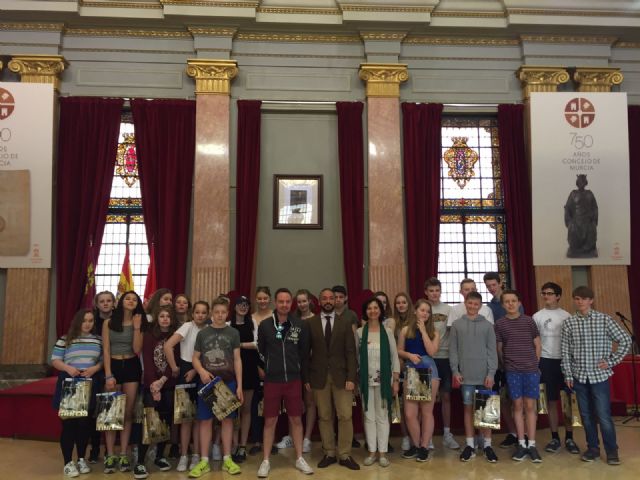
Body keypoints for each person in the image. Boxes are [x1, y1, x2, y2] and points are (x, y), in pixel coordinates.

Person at [561, 286, 631, 465]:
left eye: (584, 299)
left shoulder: (604, 320)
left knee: (604, 415)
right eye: (577, 299)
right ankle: (592, 448)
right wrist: (568, 375)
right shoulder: (569, 323)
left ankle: (611, 451)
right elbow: (565, 351)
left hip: (599, 376)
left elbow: (625, 339)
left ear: (590, 300)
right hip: (579, 376)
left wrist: (611, 361)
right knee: (586, 415)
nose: (580, 302)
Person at [256, 288, 312, 478]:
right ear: (275, 302)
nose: (285, 305)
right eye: (281, 301)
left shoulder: (300, 325)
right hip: (272, 381)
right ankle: (265, 461)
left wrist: (298, 371)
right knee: (270, 420)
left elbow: (304, 353)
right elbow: (261, 350)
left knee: (296, 419)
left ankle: (299, 458)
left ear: (292, 303)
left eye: (288, 301)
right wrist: (270, 367)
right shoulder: (265, 325)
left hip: (293, 380)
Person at [304, 288, 359, 470]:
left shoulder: (345, 322)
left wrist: (352, 377)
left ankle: (344, 454)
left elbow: (351, 352)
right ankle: (329, 452)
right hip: (318, 377)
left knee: (345, 415)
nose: (328, 301)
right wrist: (306, 379)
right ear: (319, 302)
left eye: (332, 298)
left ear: (336, 301)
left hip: (342, 377)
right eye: (324, 298)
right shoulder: (310, 323)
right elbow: (305, 354)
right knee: (324, 416)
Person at [189, 297, 243, 478]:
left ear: (227, 314)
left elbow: (237, 359)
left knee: (227, 420)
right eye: (217, 312)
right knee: (205, 421)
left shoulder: (233, 333)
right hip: (207, 383)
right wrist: (201, 372)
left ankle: (227, 458)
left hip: (228, 382)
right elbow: (195, 358)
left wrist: (240, 386)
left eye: (223, 312)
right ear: (212, 314)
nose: (220, 315)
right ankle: (204, 460)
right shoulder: (203, 333)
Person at [51, 309, 103, 478]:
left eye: (90, 320)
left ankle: (81, 458)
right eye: (84, 320)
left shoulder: (98, 340)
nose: (88, 324)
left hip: (90, 382)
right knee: (69, 425)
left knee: (84, 424)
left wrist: (95, 368)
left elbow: (103, 361)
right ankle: (68, 462)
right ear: (77, 321)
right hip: (70, 382)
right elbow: (55, 360)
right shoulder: (65, 339)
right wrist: (68, 368)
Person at [449, 291, 499, 463]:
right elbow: (453, 351)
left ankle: (487, 445)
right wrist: (455, 371)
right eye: (469, 303)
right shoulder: (456, 324)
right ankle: (470, 445)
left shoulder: (487, 326)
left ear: (480, 305)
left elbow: (492, 351)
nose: (472, 306)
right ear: (465, 303)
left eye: (475, 304)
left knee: (486, 412)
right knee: (468, 410)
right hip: (466, 377)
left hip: (484, 376)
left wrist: (491, 373)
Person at [495, 290, 542, 463]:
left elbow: (537, 344)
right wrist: (506, 365)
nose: (510, 304)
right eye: (507, 301)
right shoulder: (500, 324)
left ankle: (532, 444)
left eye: (513, 300)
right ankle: (521, 443)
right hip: (512, 370)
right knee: (517, 405)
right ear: (502, 305)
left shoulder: (529, 321)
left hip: (530, 370)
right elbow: (499, 349)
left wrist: (535, 364)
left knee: (530, 406)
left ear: (519, 303)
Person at [533, 282, 580, 455]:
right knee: (551, 400)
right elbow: (534, 343)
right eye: (544, 293)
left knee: (568, 401)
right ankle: (554, 437)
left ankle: (569, 437)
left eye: (550, 293)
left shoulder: (567, 316)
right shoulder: (537, 316)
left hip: (565, 362)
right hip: (546, 362)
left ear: (558, 296)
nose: (546, 296)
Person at [102, 290, 146, 474]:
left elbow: (137, 349)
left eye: (134, 299)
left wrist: (136, 327)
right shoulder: (108, 322)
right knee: (112, 412)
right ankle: (110, 454)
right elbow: (105, 350)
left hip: (131, 365)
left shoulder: (139, 322)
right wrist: (108, 375)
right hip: (113, 365)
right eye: (128, 298)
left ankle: (124, 453)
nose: (130, 301)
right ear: (121, 301)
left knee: (127, 412)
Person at [164, 301, 209, 472]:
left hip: (201, 371)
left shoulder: (208, 329)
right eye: (197, 312)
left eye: (204, 312)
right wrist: (175, 367)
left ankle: (196, 454)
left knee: (200, 417)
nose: (200, 315)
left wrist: (196, 371)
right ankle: (184, 455)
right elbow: (168, 345)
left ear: (208, 315)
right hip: (185, 369)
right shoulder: (187, 327)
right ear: (192, 314)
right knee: (186, 418)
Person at [135, 305, 180, 478]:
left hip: (168, 383)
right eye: (162, 316)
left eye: (168, 316)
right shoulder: (149, 335)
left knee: (165, 420)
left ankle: (160, 456)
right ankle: (140, 461)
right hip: (152, 385)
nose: (165, 319)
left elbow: (174, 363)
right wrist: (154, 385)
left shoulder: (175, 336)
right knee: (149, 422)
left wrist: (162, 381)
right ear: (157, 318)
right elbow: (147, 360)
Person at [356, 297, 400, 468]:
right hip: (366, 382)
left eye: (376, 307)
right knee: (368, 417)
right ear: (365, 311)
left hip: (384, 382)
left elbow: (394, 357)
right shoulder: (360, 332)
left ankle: (382, 453)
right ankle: (372, 452)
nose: (373, 311)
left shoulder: (387, 332)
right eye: (369, 308)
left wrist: (395, 380)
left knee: (382, 417)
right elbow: (357, 359)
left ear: (380, 311)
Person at [397, 299, 440, 462]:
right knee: (409, 413)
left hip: (428, 370)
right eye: (422, 310)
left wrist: (423, 332)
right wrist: (409, 356)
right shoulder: (405, 330)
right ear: (415, 311)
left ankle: (424, 447)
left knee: (426, 412)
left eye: (428, 312)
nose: (425, 314)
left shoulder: (434, 332)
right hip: (411, 370)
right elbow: (399, 350)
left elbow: (432, 351)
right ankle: (415, 445)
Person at [483, 272, 520, 449]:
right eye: (488, 286)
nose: (491, 288)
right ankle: (512, 432)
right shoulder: (488, 307)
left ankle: (523, 434)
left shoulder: (513, 301)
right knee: (500, 398)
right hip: (496, 358)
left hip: (514, 356)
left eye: (493, 285)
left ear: (500, 283)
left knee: (517, 398)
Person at [424, 278, 459, 451]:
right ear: (426, 292)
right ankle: (427, 436)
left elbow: (453, 334)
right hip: (427, 358)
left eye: (437, 290)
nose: (434, 293)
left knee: (446, 396)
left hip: (445, 357)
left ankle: (447, 434)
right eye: (431, 290)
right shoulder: (422, 309)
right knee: (427, 399)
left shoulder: (449, 310)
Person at [229, 295, 260, 463]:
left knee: (246, 408)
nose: (243, 307)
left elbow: (257, 343)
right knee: (232, 410)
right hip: (231, 370)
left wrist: (238, 345)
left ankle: (242, 445)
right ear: (234, 307)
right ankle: (232, 444)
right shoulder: (227, 324)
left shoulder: (252, 322)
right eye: (240, 304)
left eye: (246, 304)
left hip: (249, 368)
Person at [88, 291, 115, 463]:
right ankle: (95, 447)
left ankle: (109, 449)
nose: (105, 304)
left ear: (113, 303)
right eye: (102, 301)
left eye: (108, 301)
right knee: (95, 411)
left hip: (114, 368)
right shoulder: (91, 321)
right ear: (97, 304)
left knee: (110, 409)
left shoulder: (119, 319)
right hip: (95, 370)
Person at [249, 287, 274, 456]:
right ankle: (257, 440)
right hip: (254, 365)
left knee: (272, 406)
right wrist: (258, 366)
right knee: (254, 405)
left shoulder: (275, 317)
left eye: (265, 298)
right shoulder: (250, 318)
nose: (262, 301)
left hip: (274, 365)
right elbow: (251, 345)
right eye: (259, 298)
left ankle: (270, 441)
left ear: (270, 299)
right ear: (255, 299)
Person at [390, 292, 415, 451]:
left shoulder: (415, 321)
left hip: (413, 367)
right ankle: (405, 436)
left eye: (403, 302)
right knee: (399, 406)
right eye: (398, 303)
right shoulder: (392, 322)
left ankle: (416, 437)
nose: (401, 305)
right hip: (397, 368)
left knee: (413, 406)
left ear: (408, 304)